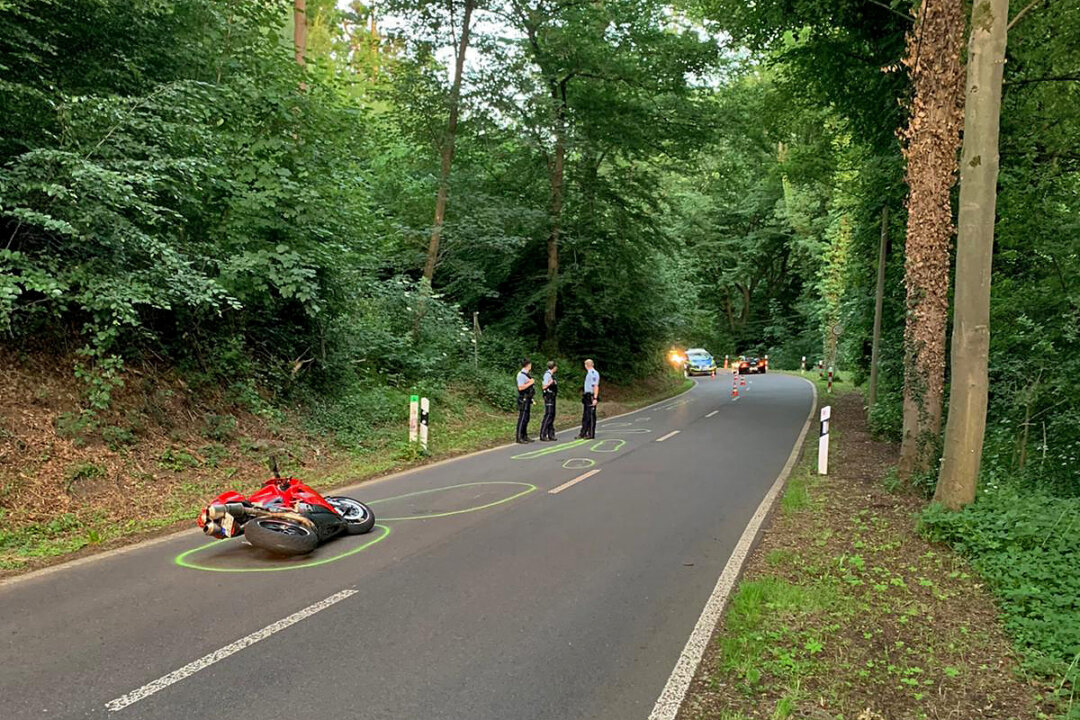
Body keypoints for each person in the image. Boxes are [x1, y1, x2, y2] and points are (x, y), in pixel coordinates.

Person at [576, 358, 599, 440]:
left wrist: (595, 398)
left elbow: (595, 386)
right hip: (587, 395)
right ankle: (583, 432)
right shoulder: (589, 373)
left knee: (591, 415)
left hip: (591, 395)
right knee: (585, 415)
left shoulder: (593, 373)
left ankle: (591, 433)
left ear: (586, 365)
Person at [515, 359, 536, 443]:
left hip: (528, 398)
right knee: (522, 418)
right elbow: (520, 387)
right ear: (528, 365)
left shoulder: (527, 374)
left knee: (527, 418)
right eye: (530, 365)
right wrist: (530, 382)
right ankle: (519, 437)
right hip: (523, 398)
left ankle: (525, 435)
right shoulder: (521, 375)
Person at [539, 360, 558, 441]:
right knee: (548, 414)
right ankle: (543, 434)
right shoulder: (547, 375)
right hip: (549, 397)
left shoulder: (551, 375)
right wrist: (551, 383)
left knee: (552, 415)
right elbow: (544, 387)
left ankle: (551, 434)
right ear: (554, 367)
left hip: (552, 396)